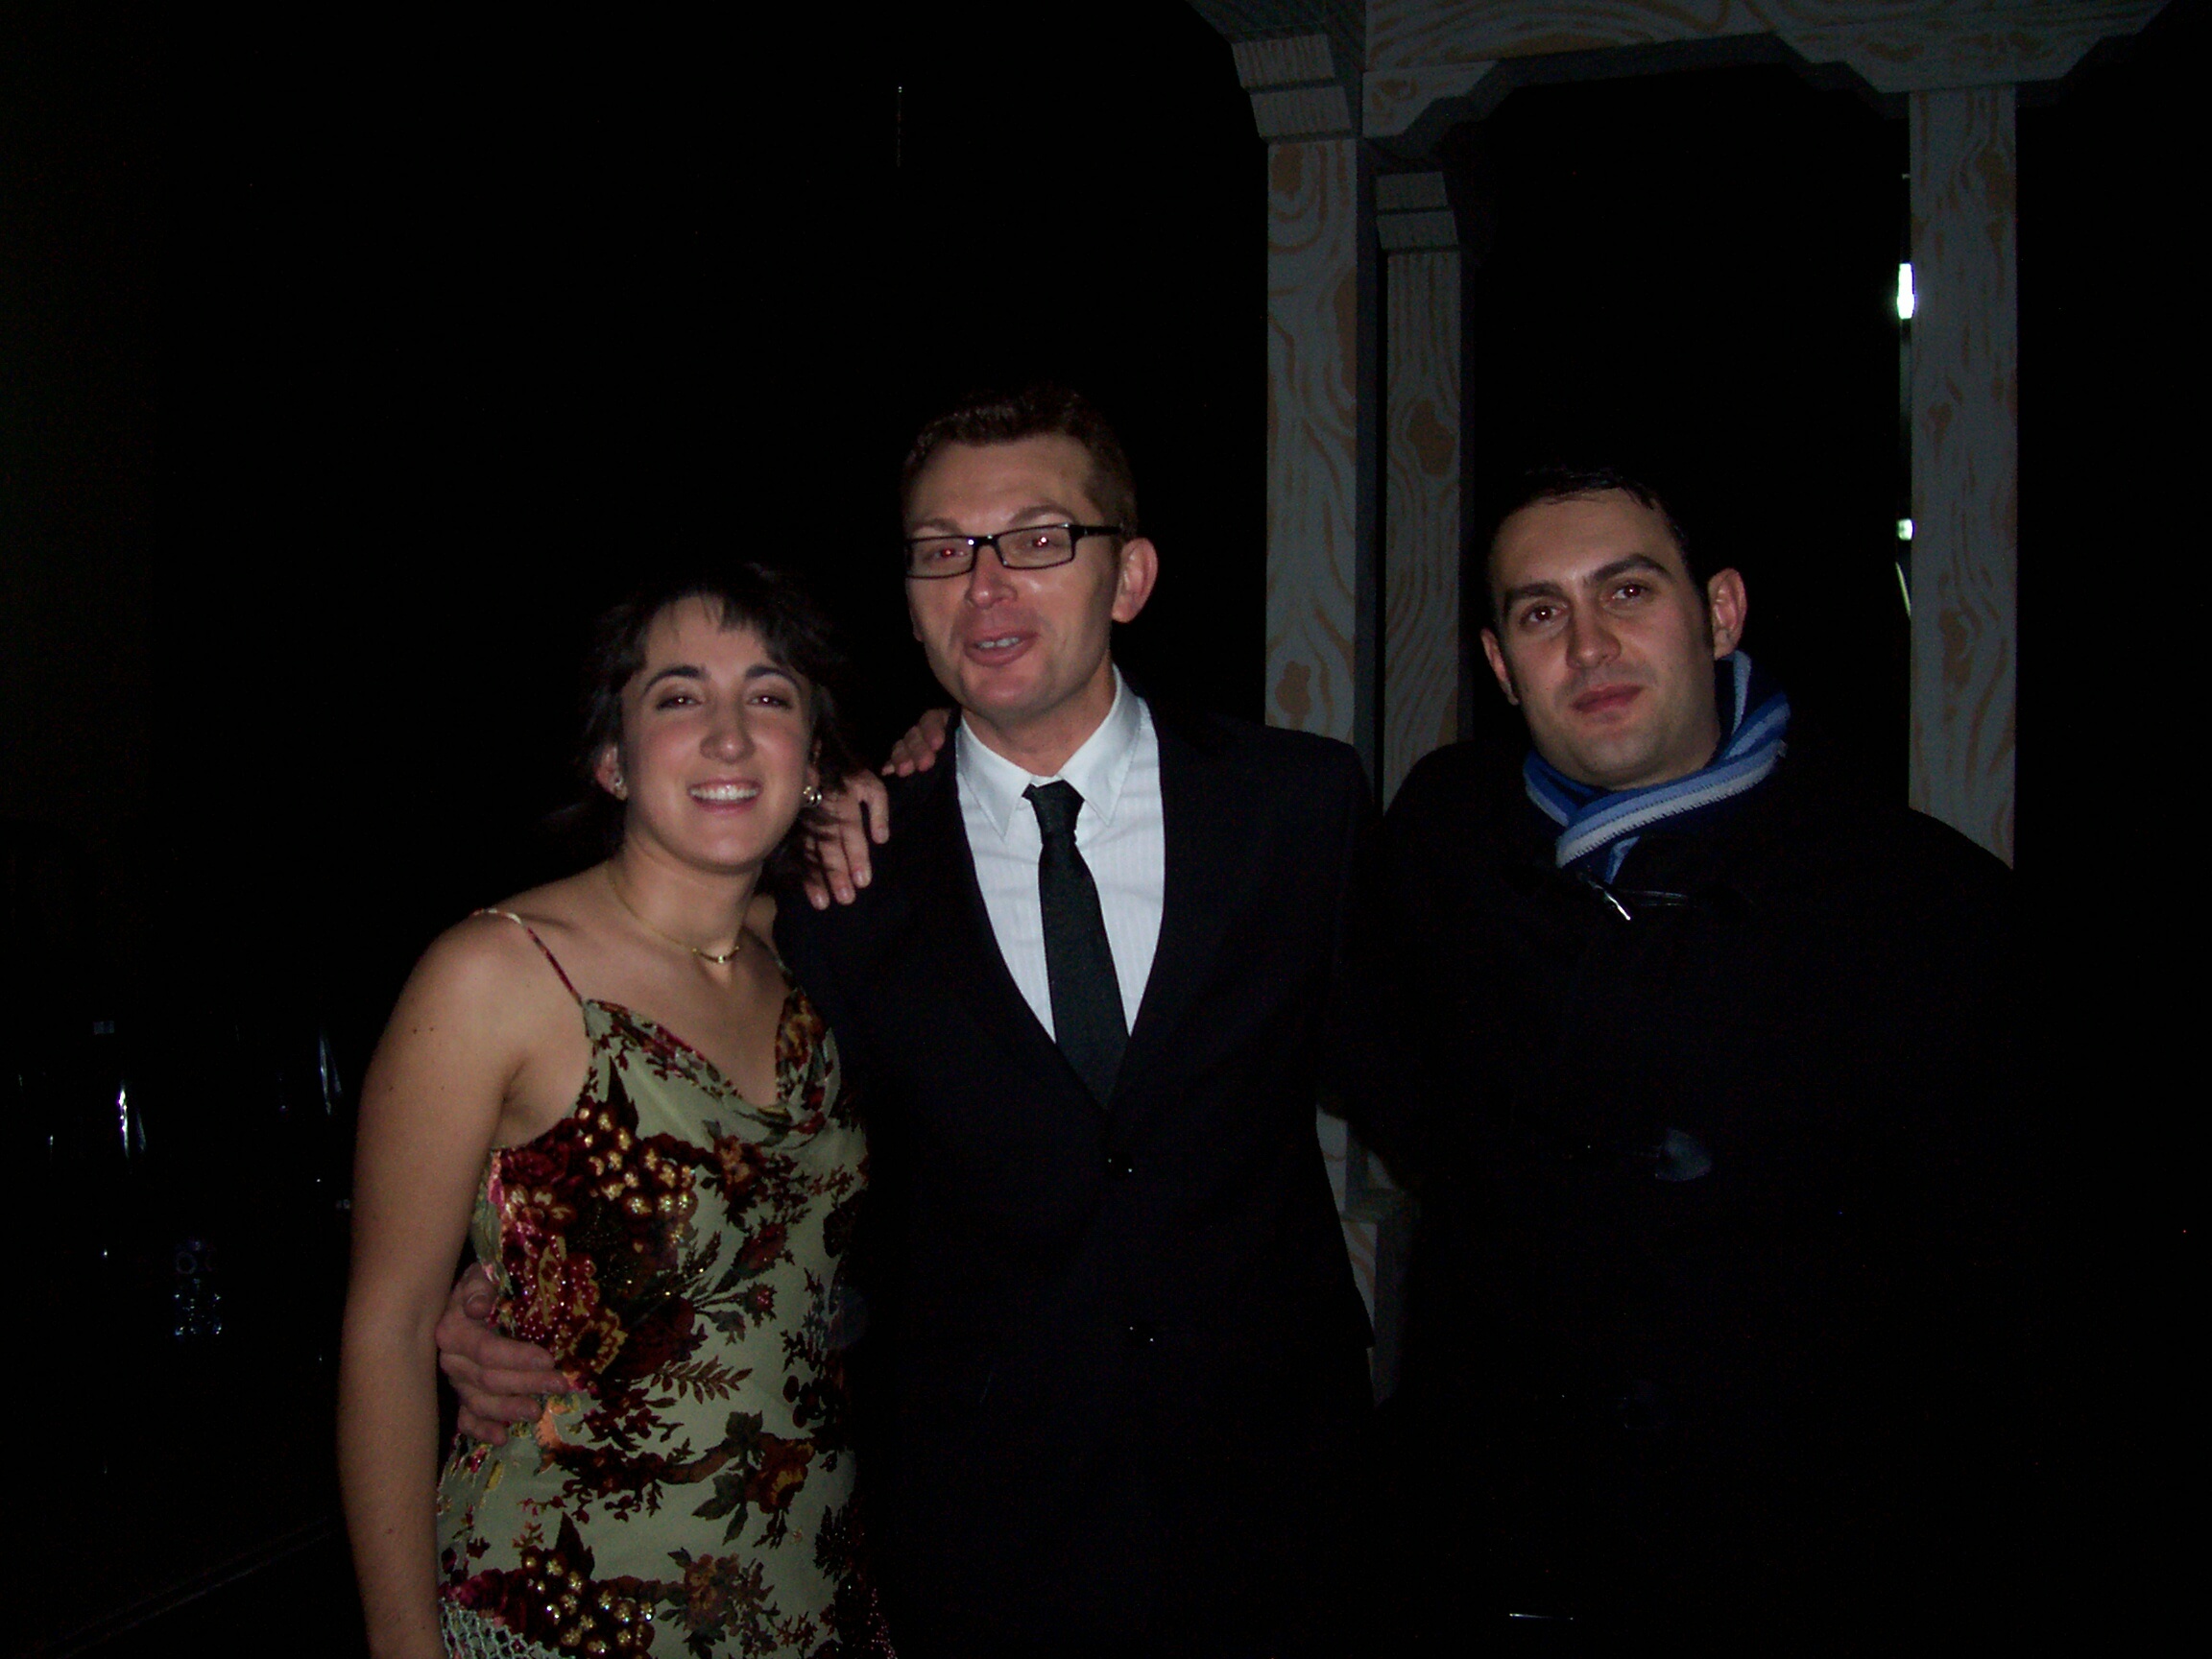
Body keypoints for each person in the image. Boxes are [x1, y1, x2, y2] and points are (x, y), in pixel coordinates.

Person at [438, 386, 1379, 1656]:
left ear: (1131, 576)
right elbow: (731, 1146)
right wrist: (503, 1282)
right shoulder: (843, 880)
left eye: (1037, 539)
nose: (985, 585)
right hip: (984, 1537)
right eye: (943, 550)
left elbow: (1433, 1087)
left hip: (1285, 1509)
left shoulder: (1299, 809)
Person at [1369, 468, 2031, 1640]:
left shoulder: (1930, 909)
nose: (1589, 645)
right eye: (1541, 613)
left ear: (1719, 613)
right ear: (1501, 664)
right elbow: (1380, 1074)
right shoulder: (1443, 840)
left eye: (1628, 591)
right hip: (1495, 1556)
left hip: (1803, 1570)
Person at [338, 566, 886, 1659]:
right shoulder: (494, 975)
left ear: (815, 758)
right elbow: (387, 1333)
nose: (730, 736)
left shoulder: (821, 953)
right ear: (612, 758)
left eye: (769, 696)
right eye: (679, 696)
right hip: (561, 1607)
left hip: (814, 1595)